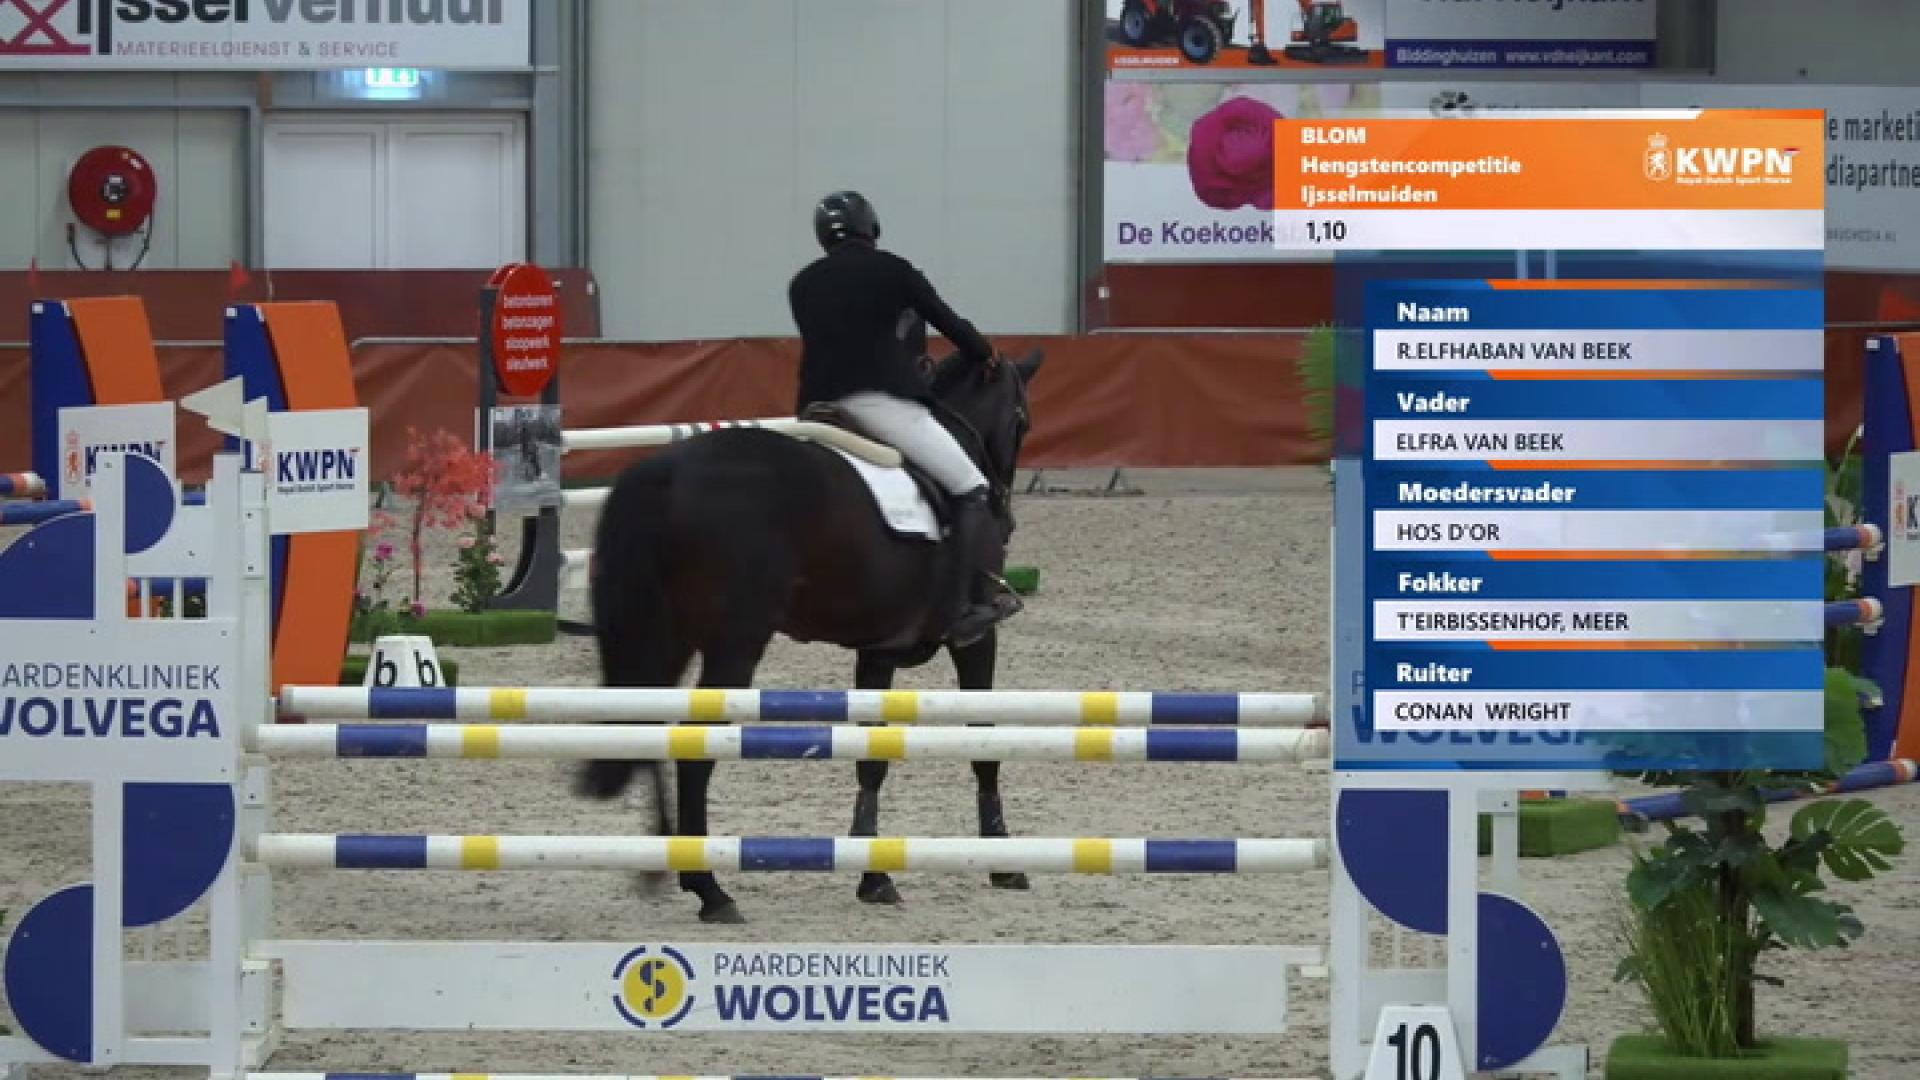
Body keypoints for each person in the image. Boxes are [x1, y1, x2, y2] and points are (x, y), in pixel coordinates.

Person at [788, 189, 1022, 646]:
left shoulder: (802, 284)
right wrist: (983, 351)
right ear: (870, 227)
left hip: (817, 411)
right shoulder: (893, 269)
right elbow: (945, 320)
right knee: (970, 487)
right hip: (879, 404)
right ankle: (969, 605)